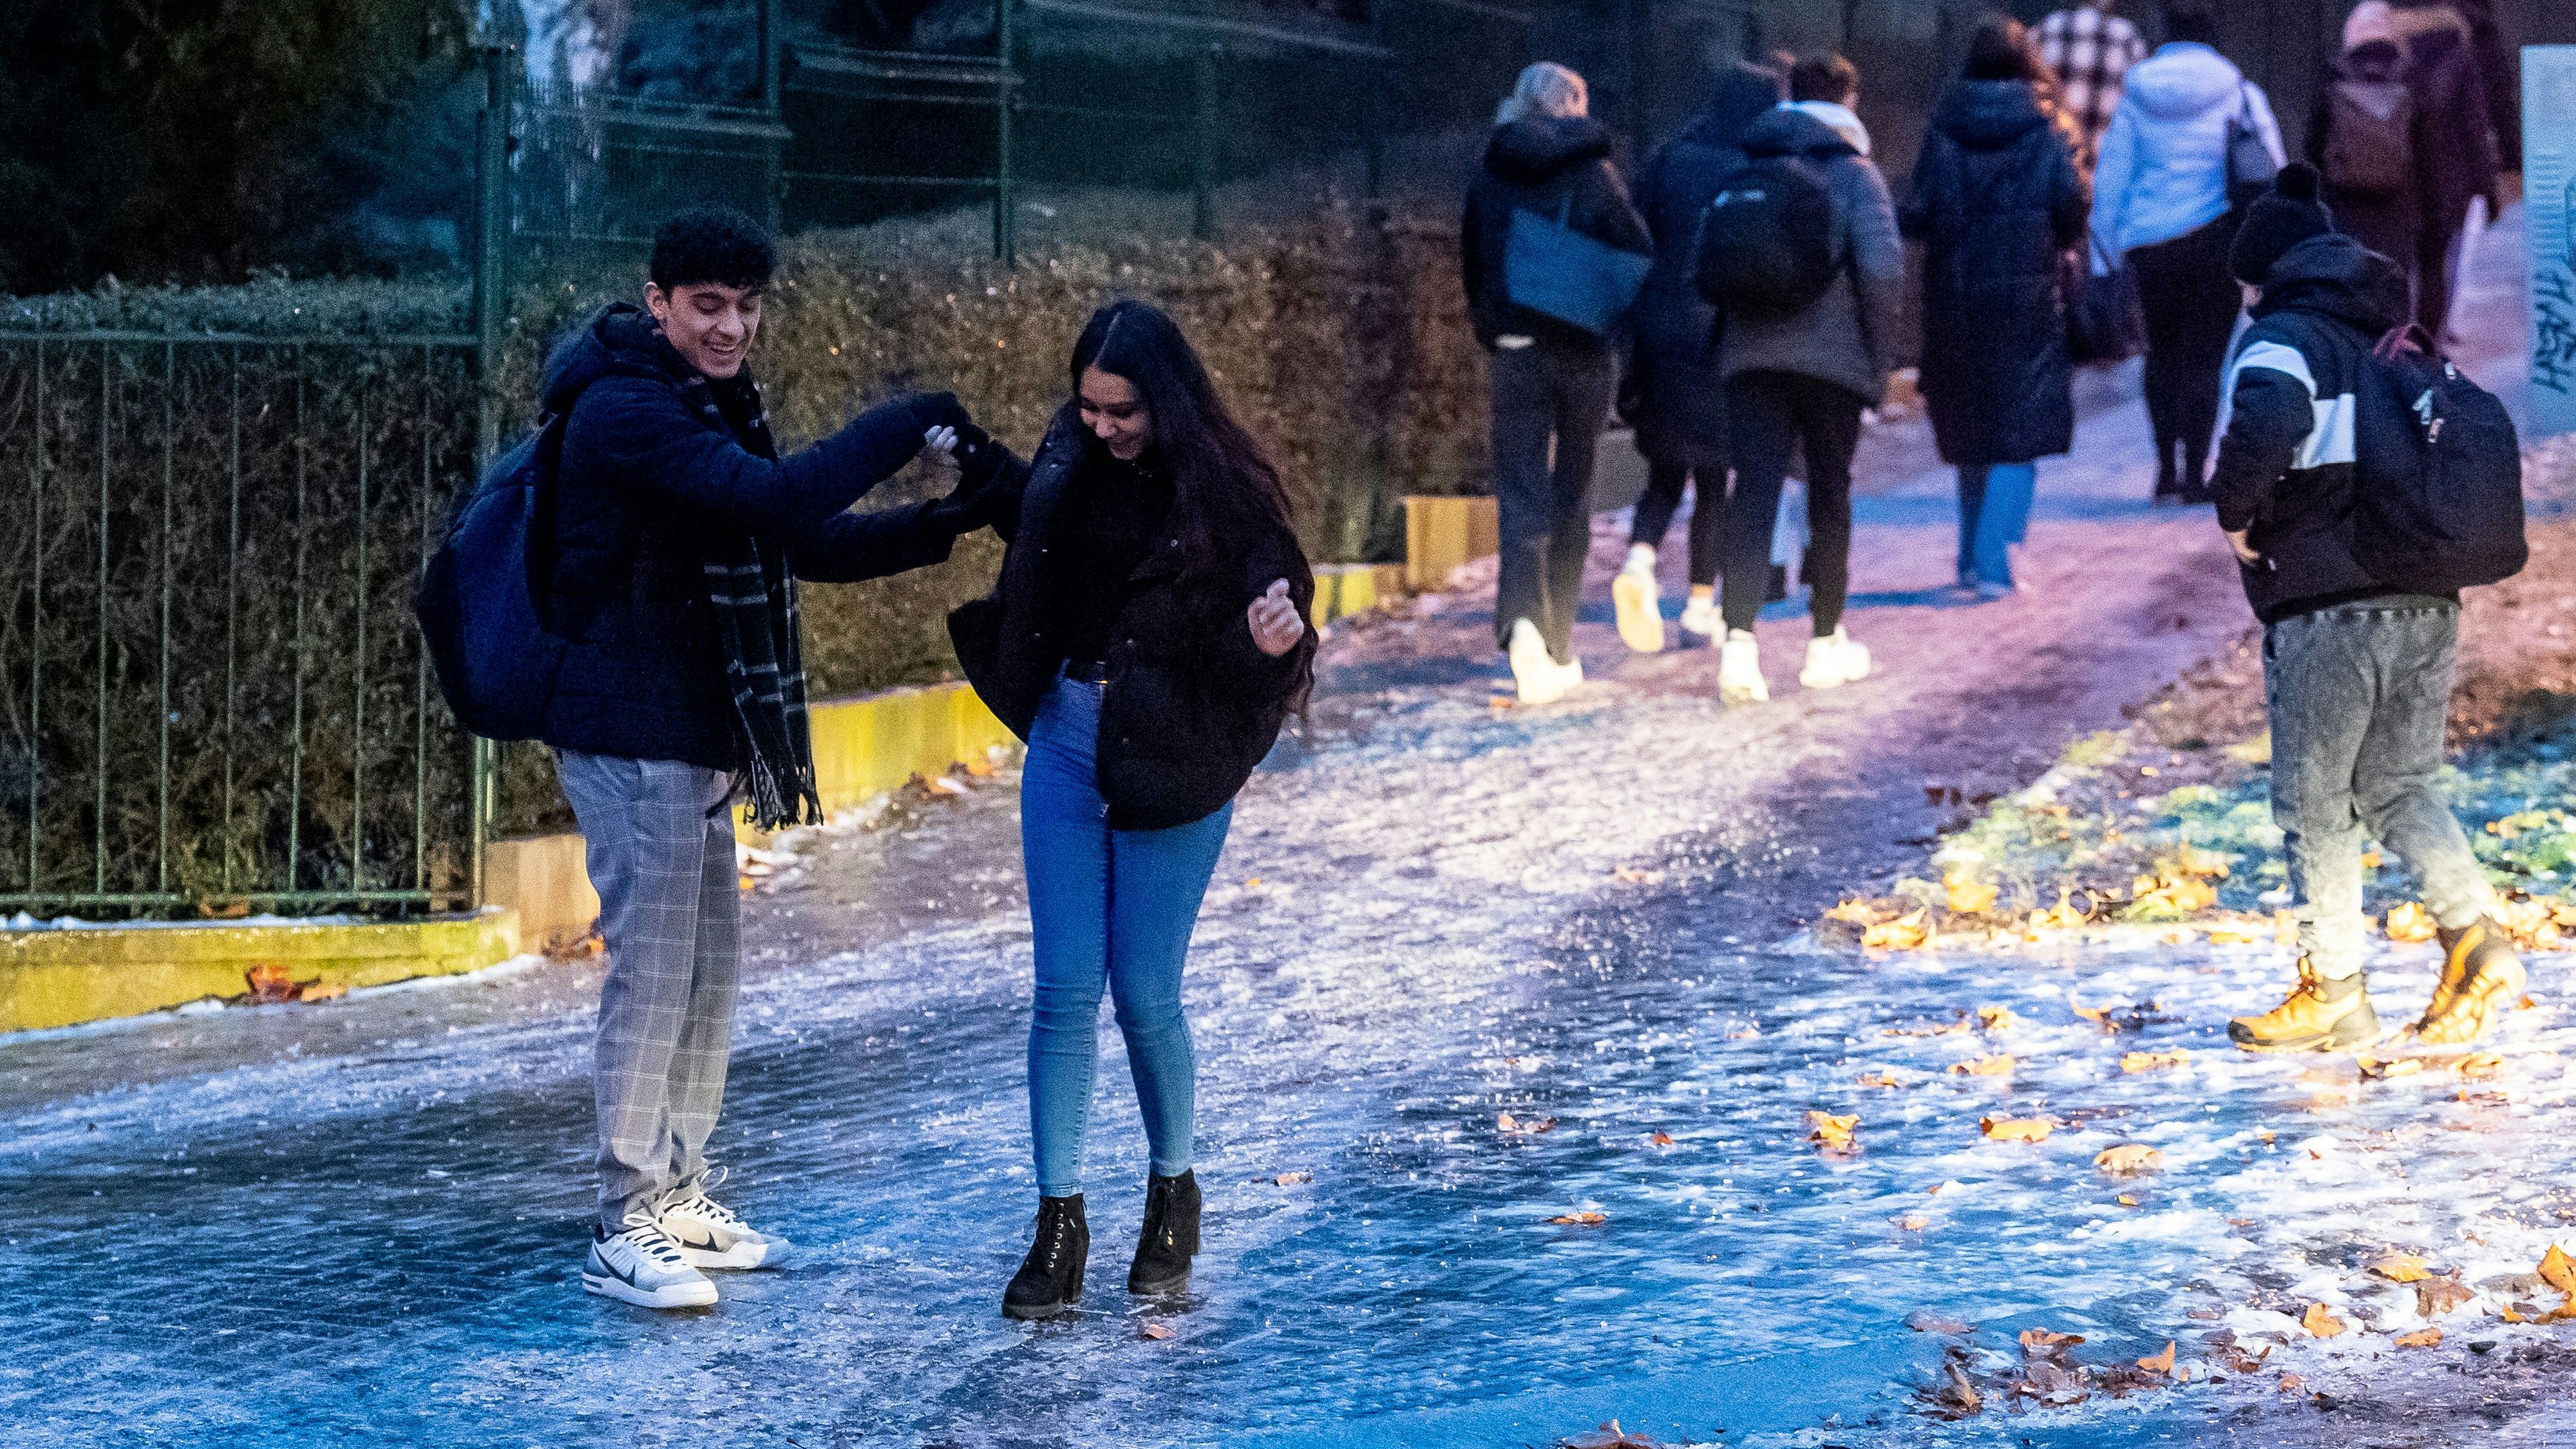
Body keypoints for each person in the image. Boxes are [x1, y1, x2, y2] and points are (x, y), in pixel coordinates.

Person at [538, 206, 985, 1309]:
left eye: (746, 307)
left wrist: (940, 522)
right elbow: (776, 499)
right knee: (654, 976)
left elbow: (800, 540)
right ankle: (623, 1221)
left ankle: (676, 1191)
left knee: (704, 974)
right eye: (707, 306)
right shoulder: (626, 408)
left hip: (696, 734)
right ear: (659, 303)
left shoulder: (710, 405)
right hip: (629, 730)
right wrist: (908, 420)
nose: (731, 327)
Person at [933, 300, 1318, 1320]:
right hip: (1067, 734)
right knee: (1063, 986)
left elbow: (1275, 621)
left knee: (1145, 990)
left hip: (1176, 752)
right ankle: (1058, 1221)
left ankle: (1173, 1193)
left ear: (1168, 401)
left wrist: (1270, 641)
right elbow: (1041, 526)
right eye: (1089, 407)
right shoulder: (1075, 457)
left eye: (1124, 411)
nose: (1103, 426)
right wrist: (976, 461)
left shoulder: (1229, 498)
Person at [2210, 164, 2524, 1054]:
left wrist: (2234, 517)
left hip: (2329, 606)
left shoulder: (2283, 338)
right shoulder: (2396, 342)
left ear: (2262, 278)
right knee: (2398, 785)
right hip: (2425, 599)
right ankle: (2475, 936)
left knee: (2314, 802)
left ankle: (2334, 990)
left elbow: (2264, 424)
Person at [1710, 53, 1904, 705]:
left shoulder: (1750, 163)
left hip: (1751, 357)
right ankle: (1824, 644)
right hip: (1833, 363)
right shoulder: (1855, 173)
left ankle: (1739, 647)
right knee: (1829, 492)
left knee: (1753, 491)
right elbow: (1883, 272)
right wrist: (1876, 362)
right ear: (1848, 103)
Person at [1461, 61, 1652, 703]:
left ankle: (1521, 626)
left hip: (1516, 349)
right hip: (1584, 350)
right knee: (1575, 490)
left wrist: (1494, 328)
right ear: (1575, 104)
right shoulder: (1595, 170)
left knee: (1520, 492)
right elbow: (1635, 248)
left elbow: (1474, 256)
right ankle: (1560, 644)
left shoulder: (1493, 167)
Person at [1902, 16, 2089, 599]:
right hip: (2027, 299)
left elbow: (1917, 212)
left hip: (1954, 297)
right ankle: (1993, 556)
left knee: (1971, 429)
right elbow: (2073, 204)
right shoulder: (2050, 126)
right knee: (2020, 427)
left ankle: (1969, 555)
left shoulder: (1944, 126)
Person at [1615, 59, 1786, 653]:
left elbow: (1637, 236)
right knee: (1715, 479)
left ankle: (1639, 561)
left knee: (1665, 467)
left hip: (1662, 329)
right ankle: (1697, 608)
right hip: (1724, 333)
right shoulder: (1758, 167)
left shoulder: (1670, 157)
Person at [2089, 1, 2284, 504]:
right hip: (2218, 240)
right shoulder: (2239, 91)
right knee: (2205, 360)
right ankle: (2197, 473)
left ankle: (2165, 469)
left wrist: (2103, 251)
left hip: (2150, 244)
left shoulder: (2137, 94)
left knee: (2161, 355)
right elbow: (2274, 165)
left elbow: (2112, 174)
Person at [2384, 0, 2502, 341]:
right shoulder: (2459, 55)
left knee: (2397, 258)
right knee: (2439, 263)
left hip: (2398, 175)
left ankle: (2392, 331)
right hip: (2448, 179)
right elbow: (2473, 126)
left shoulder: (2391, 48)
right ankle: (2427, 337)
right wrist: (2487, 190)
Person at [2306, 2, 2429, 300]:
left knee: (2347, 285)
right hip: (2398, 205)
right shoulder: (2411, 77)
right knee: (2391, 288)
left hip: (2345, 204)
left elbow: (2313, 146)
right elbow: (2425, 148)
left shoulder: (2333, 76)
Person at [2035, 0, 2148, 161]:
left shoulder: (2047, 28)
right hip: (2105, 161)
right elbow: (2140, 104)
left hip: (2052, 159)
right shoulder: (2127, 36)